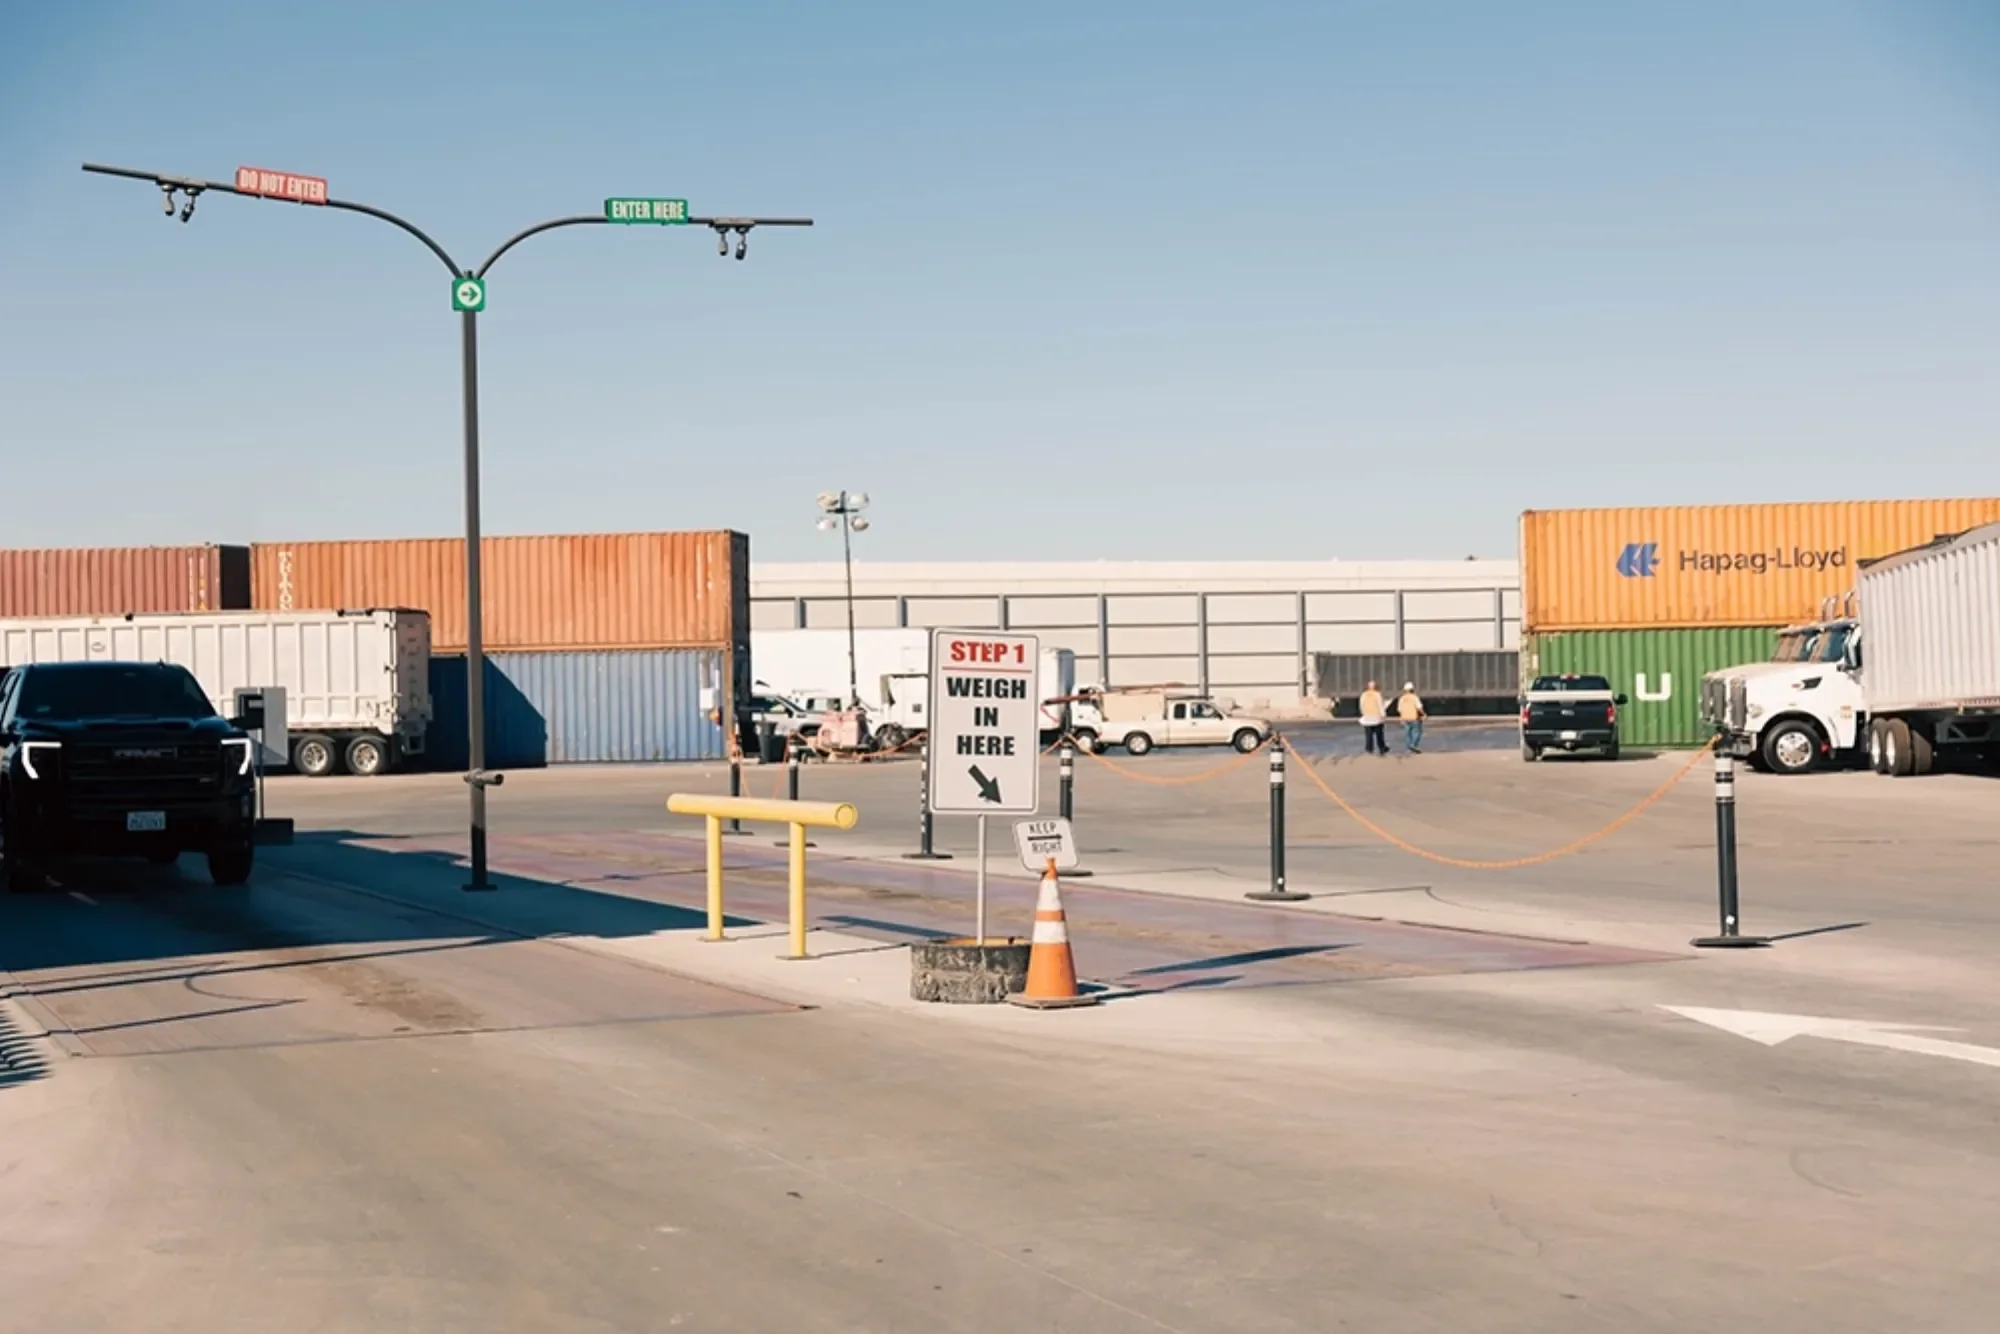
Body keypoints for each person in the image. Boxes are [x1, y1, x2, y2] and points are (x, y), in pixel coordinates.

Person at [1357, 680, 1388, 756]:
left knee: (1368, 735)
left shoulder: (1363, 695)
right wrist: (1383, 715)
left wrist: (1363, 713)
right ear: (1375, 687)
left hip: (1367, 718)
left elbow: (1361, 705)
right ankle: (1382, 748)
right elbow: (1380, 705)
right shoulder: (1377, 694)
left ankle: (1369, 749)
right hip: (1376, 717)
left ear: (1368, 687)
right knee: (1379, 734)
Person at [1396, 681, 1427, 754]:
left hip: (1405, 718)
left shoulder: (1402, 698)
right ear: (1412, 689)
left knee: (1407, 734)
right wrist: (1424, 714)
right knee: (1417, 732)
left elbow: (1399, 709)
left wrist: (1401, 718)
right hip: (1414, 717)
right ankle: (1413, 745)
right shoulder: (1414, 697)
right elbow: (1419, 707)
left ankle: (1408, 749)